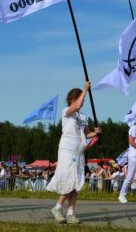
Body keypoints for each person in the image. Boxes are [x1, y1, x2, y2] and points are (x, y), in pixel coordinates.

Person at [47, 82, 100, 224]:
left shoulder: (82, 117)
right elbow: (76, 106)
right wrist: (85, 90)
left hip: (78, 148)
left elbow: (87, 134)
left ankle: (70, 213)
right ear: (72, 99)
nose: (80, 102)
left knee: (77, 182)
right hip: (66, 147)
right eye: (78, 98)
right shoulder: (66, 111)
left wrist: (95, 133)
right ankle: (57, 208)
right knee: (69, 179)